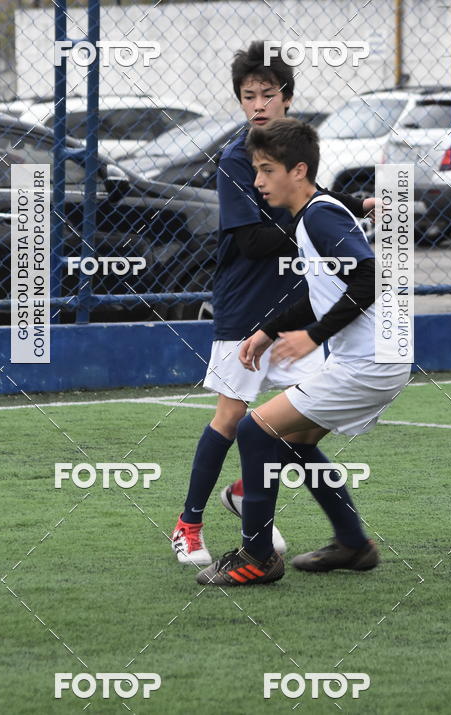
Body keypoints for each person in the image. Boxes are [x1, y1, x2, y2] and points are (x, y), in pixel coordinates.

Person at [171, 42, 377, 566]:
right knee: (229, 417)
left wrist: (356, 206)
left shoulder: (294, 155)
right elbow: (255, 243)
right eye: (248, 95)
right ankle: (188, 525)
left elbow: (314, 195)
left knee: (300, 432)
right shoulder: (238, 159)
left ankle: (346, 539)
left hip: (299, 312)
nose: (259, 104)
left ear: (287, 97)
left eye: (269, 93)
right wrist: (319, 219)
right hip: (248, 307)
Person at [196, 118, 411, 586]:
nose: (256, 181)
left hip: (369, 364)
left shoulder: (319, 215)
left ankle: (256, 557)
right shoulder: (314, 213)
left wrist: (313, 337)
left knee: (254, 431)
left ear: (297, 171)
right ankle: (353, 544)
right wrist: (268, 332)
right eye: (255, 170)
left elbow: (369, 276)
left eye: (266, 170)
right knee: (295, 442)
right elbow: (323, 291)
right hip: (376, 361)